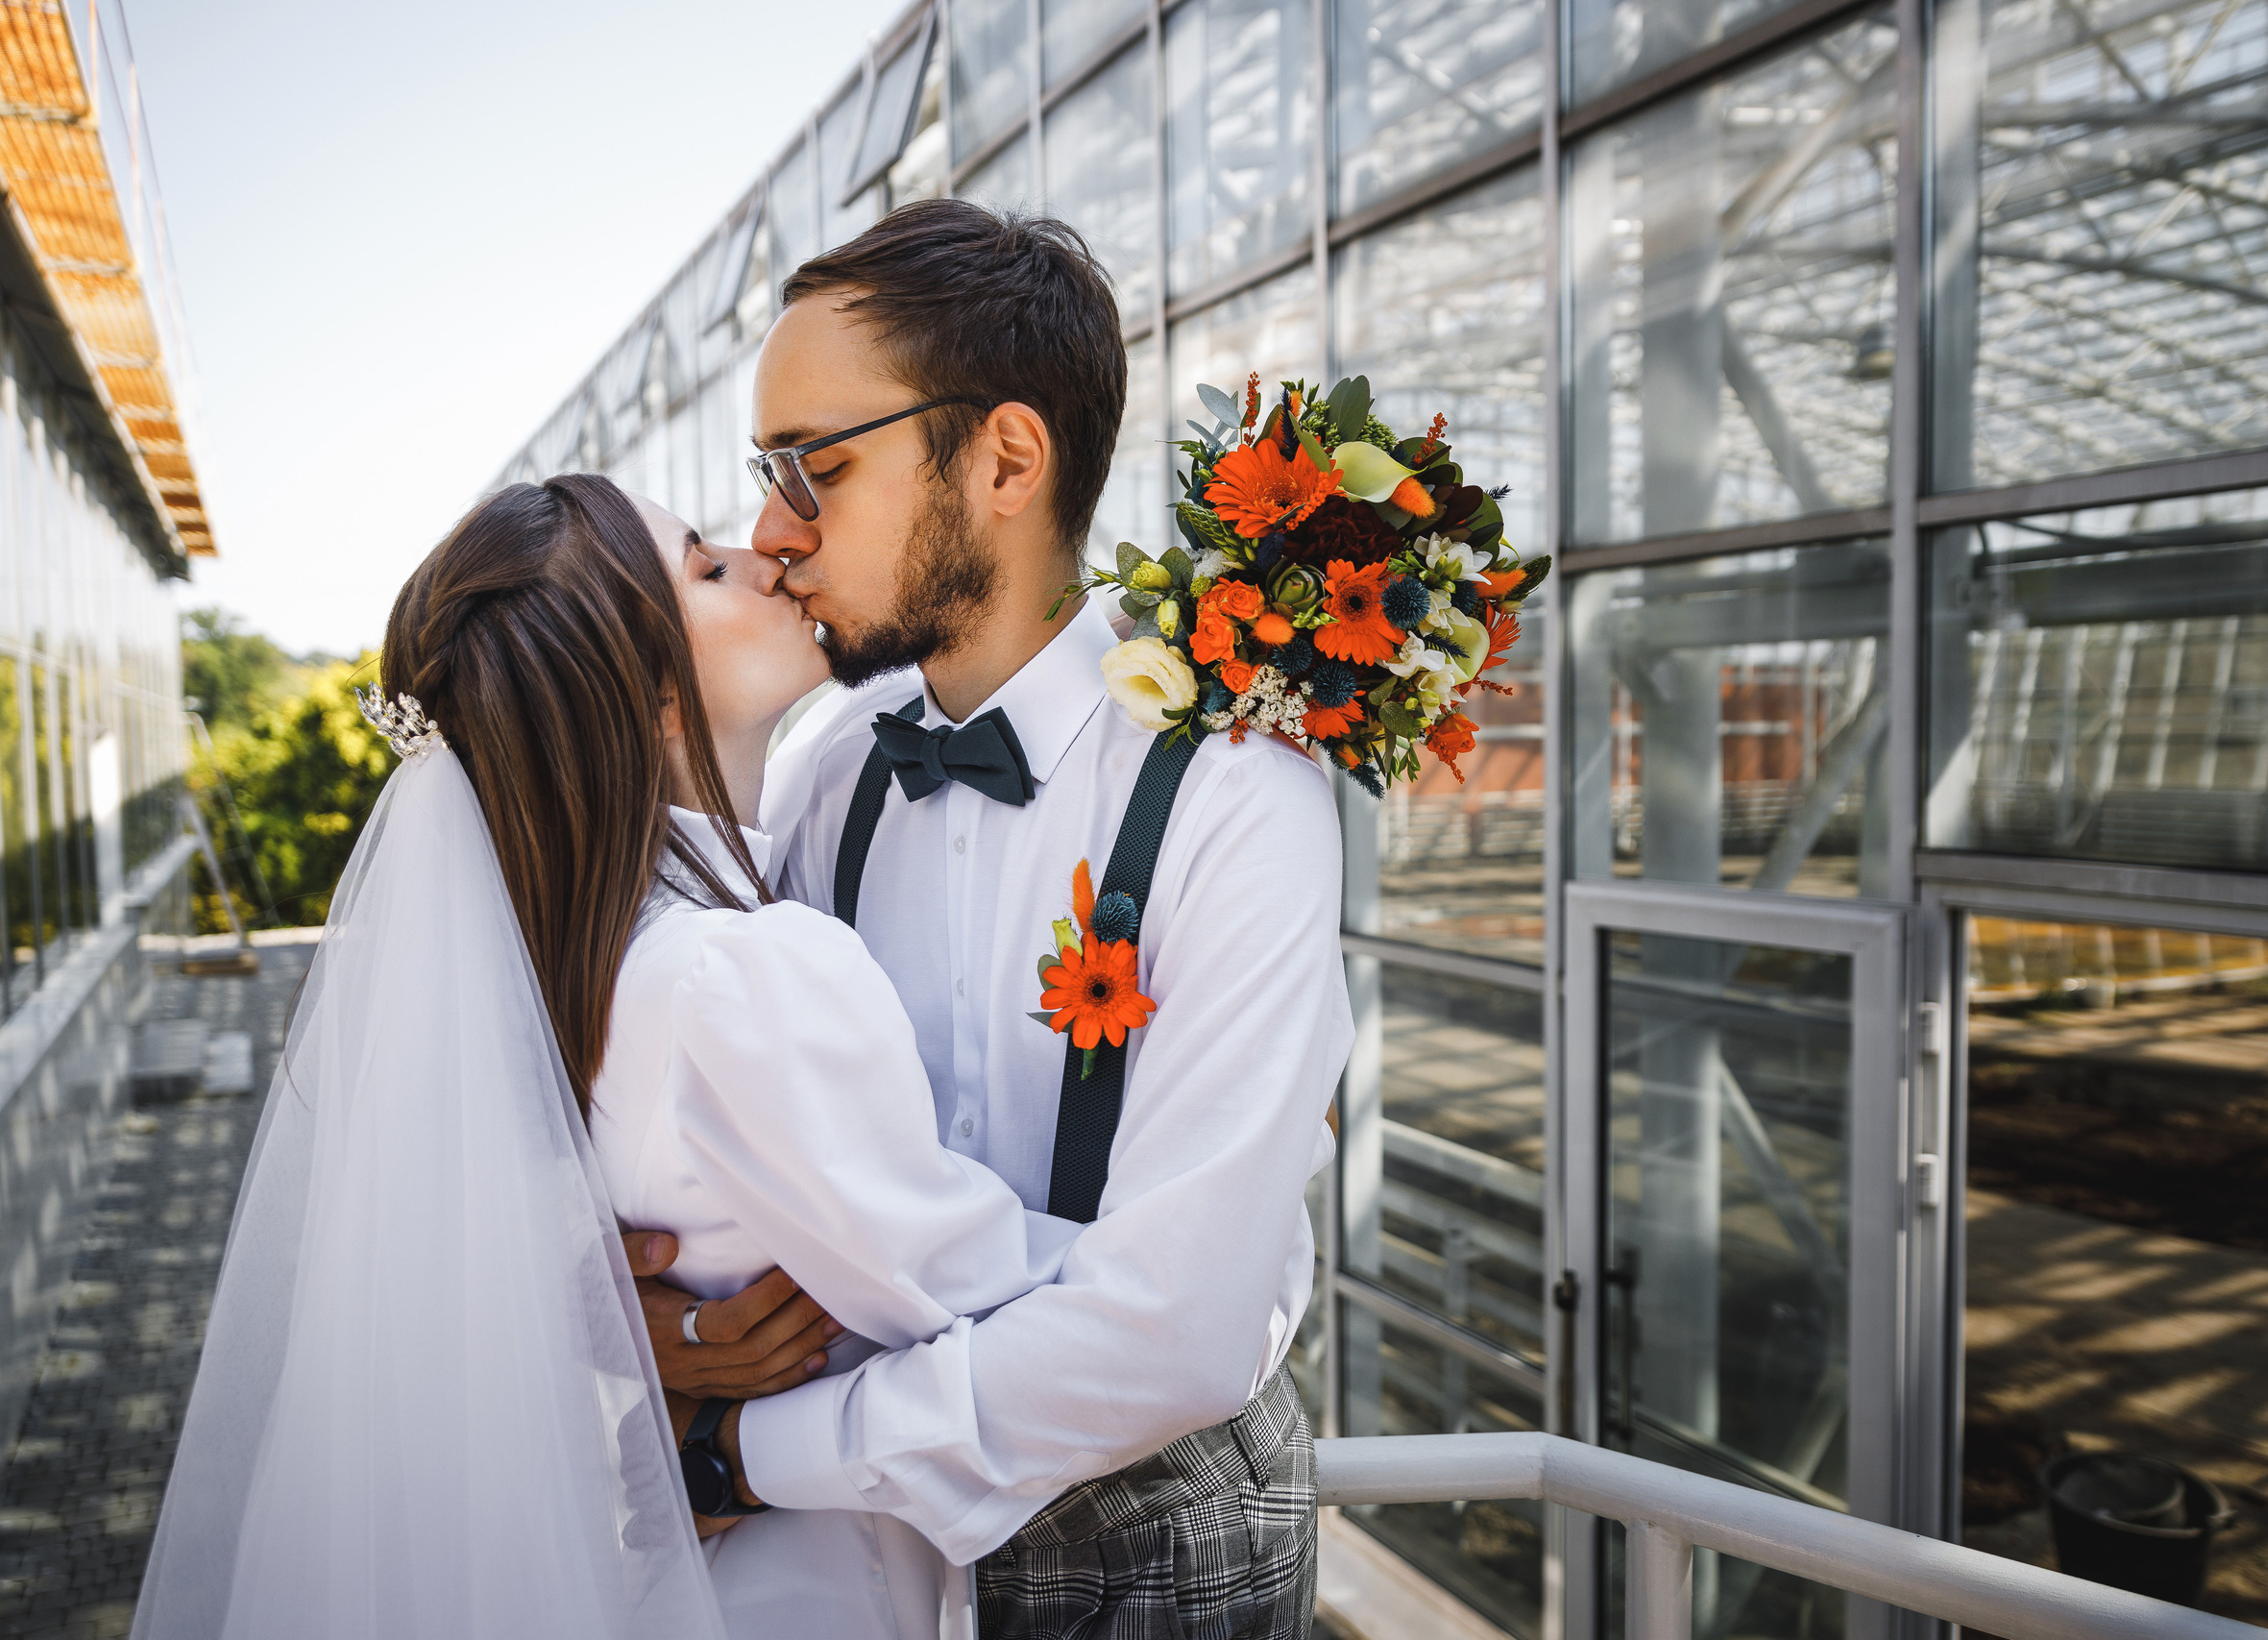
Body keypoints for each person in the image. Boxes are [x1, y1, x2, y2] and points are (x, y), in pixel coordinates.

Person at [132, 474, 1085, 1640]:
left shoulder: (571, 962)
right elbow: (990, 1292)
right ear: (654, 697)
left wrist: (642, 1335)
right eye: (706, 567)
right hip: (820, 1584)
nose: (768, 554)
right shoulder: (732, 972)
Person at [650, 201, 1353, 1639]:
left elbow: (1179, 1326)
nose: (774, 533)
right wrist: (658, 1321)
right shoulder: (825, 775)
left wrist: (741, 1453)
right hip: (866, 1559)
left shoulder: (1237, 789)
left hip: (1163, 1552)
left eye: (816, 467)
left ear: (1007, 461)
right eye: (768, 475)